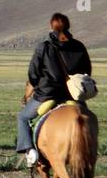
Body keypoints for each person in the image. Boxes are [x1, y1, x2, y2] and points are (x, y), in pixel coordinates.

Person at [19, 13, 91, 166]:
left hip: (47, 95)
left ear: (52, 27)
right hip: (73, 96)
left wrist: (38, 85)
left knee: (23, 118)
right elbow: (87, 71)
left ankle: (30, 151)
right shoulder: (79, 46)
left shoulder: (44, 47)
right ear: (68, 26)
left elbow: (33, 74)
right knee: (88, 119)